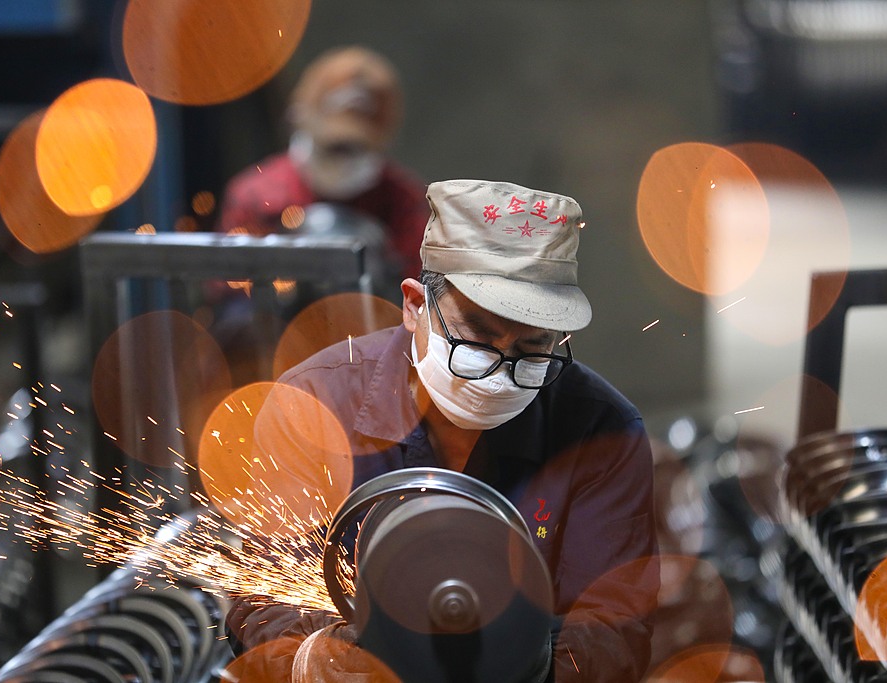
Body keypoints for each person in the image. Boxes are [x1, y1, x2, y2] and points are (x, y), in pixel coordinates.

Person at [225, 179, 660, 682]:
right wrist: (313, 661)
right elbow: (258, 589)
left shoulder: (602, 430)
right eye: (478, 334)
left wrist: (521, 664)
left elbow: (614, 626)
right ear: (414, 305)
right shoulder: (314, 405)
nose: (500, 369)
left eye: (533, 348)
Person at [215, 45, 430, 282]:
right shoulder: (257, 197)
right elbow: (227, 291)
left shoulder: (402, 202)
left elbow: (419, 289)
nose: (342, 160)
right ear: (298, 117)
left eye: (354, 148)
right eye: (333, 147)